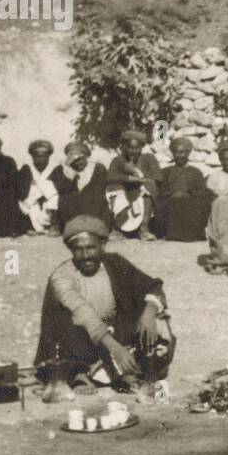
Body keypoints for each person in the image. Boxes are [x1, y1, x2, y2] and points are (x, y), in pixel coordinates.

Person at [34, 215, 174, 402]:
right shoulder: (62, 277)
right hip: (79, 344)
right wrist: (116, 349)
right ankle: (81, 374)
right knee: (69, 340)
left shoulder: (114, 263)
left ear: (102, 245)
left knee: (159, 318)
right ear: (71, 250)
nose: (85, 256)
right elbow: (85, 316)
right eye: (78, 250)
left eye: (91, 248)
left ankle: (145, 377)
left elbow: (151, 286)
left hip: (115, 336)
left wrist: (148, 313)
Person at [154, 137, 212, 242]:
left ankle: (192, 235)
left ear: (188, 153)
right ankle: (172, 234)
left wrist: (189, 193)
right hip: (171, 201)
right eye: (177, 152)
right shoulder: (166, 172)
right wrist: (172, 193)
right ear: (173, 154)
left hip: (191, 201)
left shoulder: (196, 172)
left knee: (196, 204)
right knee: (172, 203)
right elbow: (160, 190)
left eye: (183, 152)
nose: (180, 155)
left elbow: (202, 191)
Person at [49, 141, 109, 228]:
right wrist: (68, 170)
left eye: (80, 159)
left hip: (93, 207)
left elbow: (99, 189)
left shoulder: (98, 168)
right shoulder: (60, 170)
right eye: (73, 160)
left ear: (86, 156)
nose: (77, 163)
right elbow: (62, 189)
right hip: (70, 210)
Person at [17, 140, 60, 236]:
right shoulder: (27, 168)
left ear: (48, 156)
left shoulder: (55, 168)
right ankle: (30, 227)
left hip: (50, 198)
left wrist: (42, 188)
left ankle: (54, 226)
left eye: (44, 156)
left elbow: (59, 186)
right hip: (32, 199)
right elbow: (21, 187)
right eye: (37, 156)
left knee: (55, 201)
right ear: (32, 157)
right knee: (24, 205)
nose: (41, 159)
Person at [105, 168, 155, 240]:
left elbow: (153, 178)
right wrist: (135, 178)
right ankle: (116, 229)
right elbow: (111, 177)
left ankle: (144, 228)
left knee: (149, 186)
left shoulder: (144, 159)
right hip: (122, 197)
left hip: (136, 194)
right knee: (114, 188)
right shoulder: (117, 161)